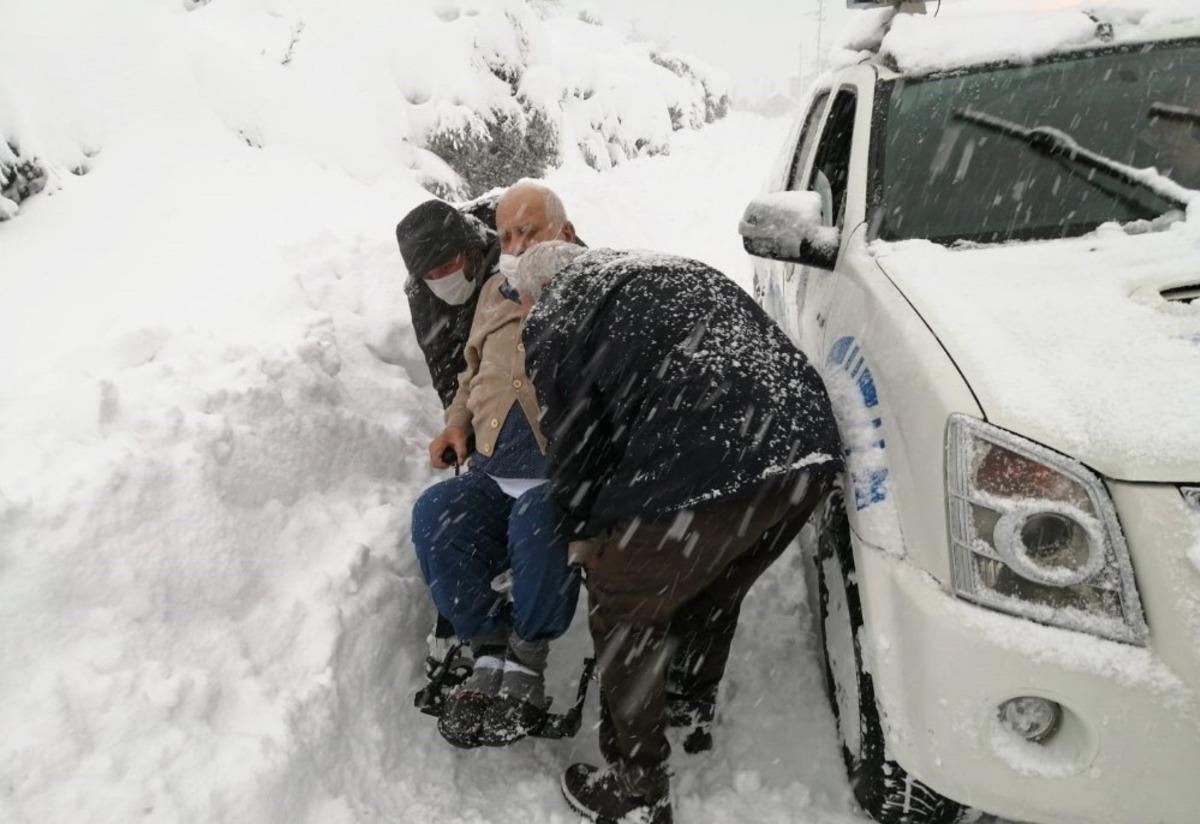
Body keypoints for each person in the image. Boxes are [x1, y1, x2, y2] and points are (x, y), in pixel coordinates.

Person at [514, 242, 843, 824]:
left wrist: (584, 533)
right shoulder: (659, 267)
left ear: (537, 293)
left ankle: (639, 791)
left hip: (709, 460)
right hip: (804, 445)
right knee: (710, 585)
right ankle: (686, 700)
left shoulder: (556, 311)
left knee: (623, 605)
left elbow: (574, 443)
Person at [409, 182, 583, 750]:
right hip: (488, 469)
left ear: (564, 229)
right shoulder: (491, 291)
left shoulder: (589, 283)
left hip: (556, 474)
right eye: (506, 234)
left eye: (528, 230)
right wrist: (457, 421)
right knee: (436, 513)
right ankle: (486, 646)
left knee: (538, 518)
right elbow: (469, 370)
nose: (515, 244)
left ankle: (526, 663)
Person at [396, 194, 501, 685]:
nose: (444, 277)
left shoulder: (514, 247)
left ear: (469, 248)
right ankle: (481, 629)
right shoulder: (423, 293)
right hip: (482, 394)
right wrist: (460, 427)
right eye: (432, 273)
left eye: (450, 265)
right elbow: (450, 370)